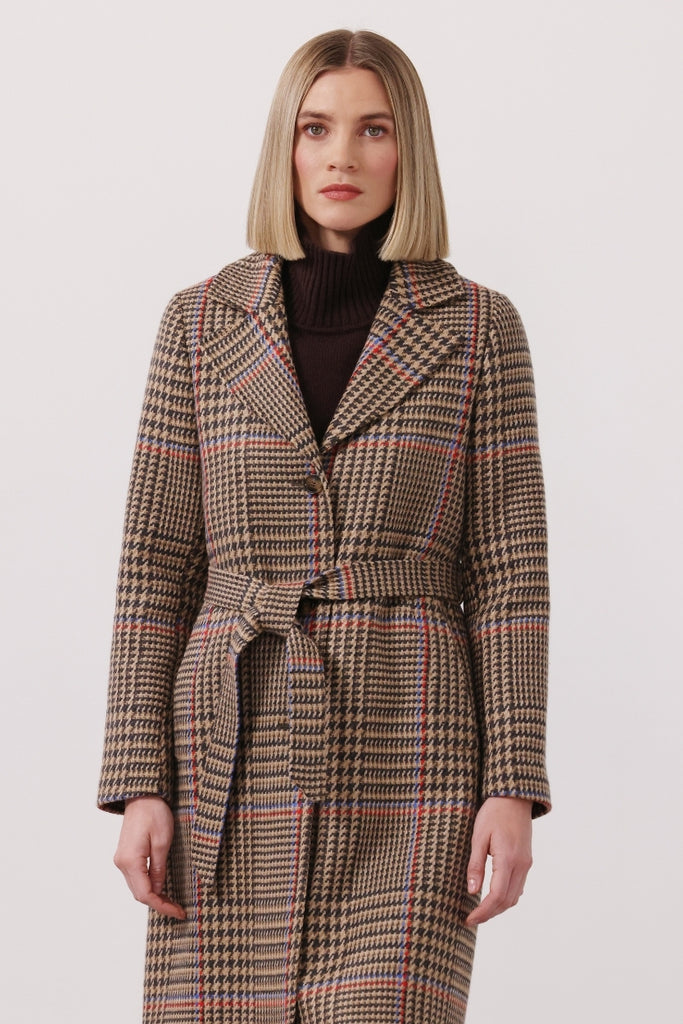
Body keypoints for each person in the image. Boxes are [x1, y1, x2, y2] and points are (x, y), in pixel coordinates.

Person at [98, 27, 551, 1024]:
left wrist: (512, 785)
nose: (341, 155)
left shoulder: (478, 327)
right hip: (227, 749)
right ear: (286, 145)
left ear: (407, 150)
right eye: (316, 128)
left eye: (372, 130)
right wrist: (138, 782)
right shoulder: (198, 322)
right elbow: (155, 567)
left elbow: (509, 574)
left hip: (413, 748)